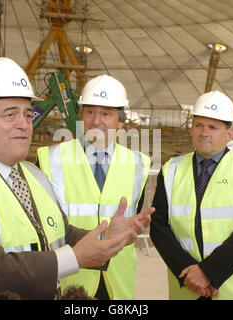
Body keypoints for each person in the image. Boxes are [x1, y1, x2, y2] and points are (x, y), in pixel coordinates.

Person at [0, 57, 154, 300]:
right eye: (10, 114)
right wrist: (75, 258)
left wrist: (107, 236)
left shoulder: (33, 175)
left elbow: (58, 233)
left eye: (27, 115)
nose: (23, 124)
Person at [37, 75, 151, 300]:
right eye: (90, 112)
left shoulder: (139, 164)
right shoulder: (49, 159)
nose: (96, 121)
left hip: (118, 280)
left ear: (120, 121)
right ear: (81, 116)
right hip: (70, 278)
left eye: (106, 113)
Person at [150, 91, 233, 300]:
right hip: (187, 287)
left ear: (229, 134)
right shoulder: (171, 169)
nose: (204, 132)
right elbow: (159, 227)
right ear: (191, 129)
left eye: (213, 127)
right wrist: (188, 272)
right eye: (199, 125)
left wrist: (208, 273)